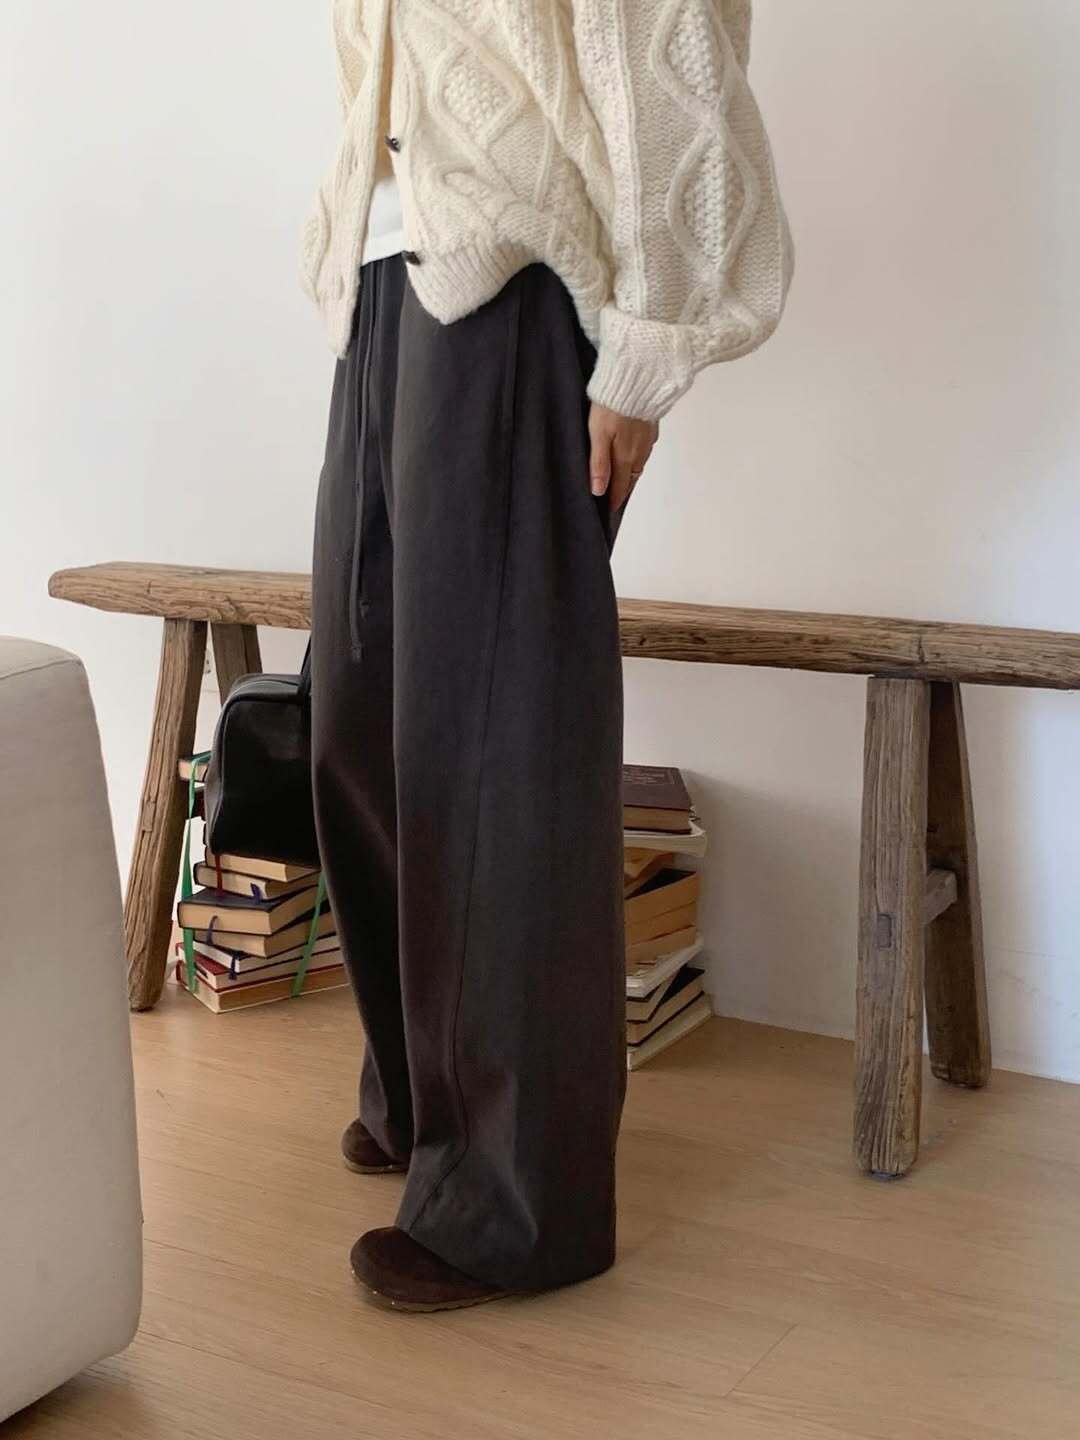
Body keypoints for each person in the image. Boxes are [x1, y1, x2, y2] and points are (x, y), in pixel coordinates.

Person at [303, 0, 792, 1312]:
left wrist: (646, 352)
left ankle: (518, 1204)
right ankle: (426, 1101)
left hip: (515, 287)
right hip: (385, 283)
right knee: (362, 712)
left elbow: (670, 60)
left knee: (495, 743)